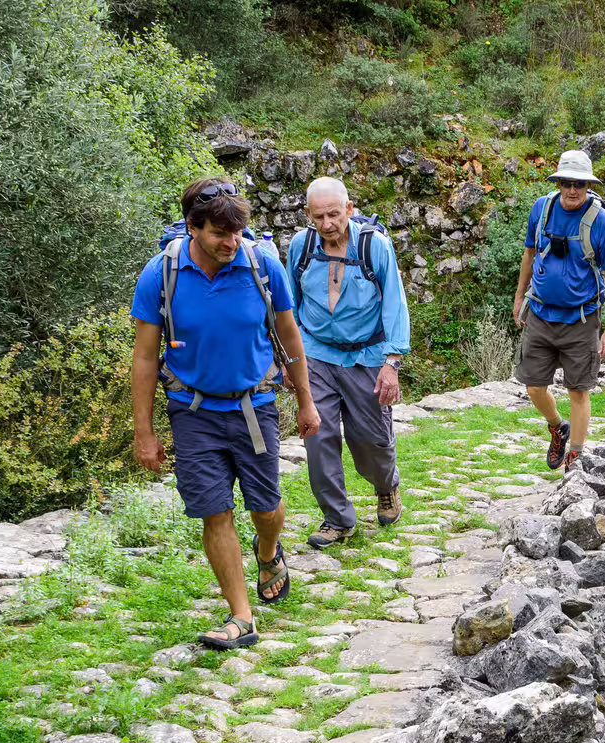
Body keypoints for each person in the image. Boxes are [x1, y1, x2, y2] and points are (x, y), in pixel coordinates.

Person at [132, 178, 321, 650]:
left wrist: (305, 400)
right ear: (193, 227)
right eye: (220, 233)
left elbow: (290, 338)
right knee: (214, 511)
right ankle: (242, 616)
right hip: (192, 411)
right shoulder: (162, 273)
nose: (231, 243)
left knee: (266, 506)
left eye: (237, 232)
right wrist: (144, 432)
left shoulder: (261, 267)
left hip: (254, 405)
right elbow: (143, 357)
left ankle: (269, 550)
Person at [286, 177, 410, 546]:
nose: (327, 224)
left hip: (367, 355)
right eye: (319, 216)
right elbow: (288, 307)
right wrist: (289, 361)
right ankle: (337, 518)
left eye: (334, 215)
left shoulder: (374, 246)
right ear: (309, 215)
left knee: (370, 438)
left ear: (349, 210)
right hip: (316, 354)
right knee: (317, 436)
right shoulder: (301, 246)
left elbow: (395, 303)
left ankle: (386, 486)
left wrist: (392, 362)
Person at [515, 149, 605, 471]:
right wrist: (519, 296)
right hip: (540, 314)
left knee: (579, 390)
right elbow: (529, 253)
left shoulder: (602, 222)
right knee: (534, 386)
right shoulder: (543, 208)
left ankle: (575, 455)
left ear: (588, 185)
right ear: (558, 183)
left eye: (579, 184)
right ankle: (556, 426)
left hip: (581, 319)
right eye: (566, 183)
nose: (572, 190)